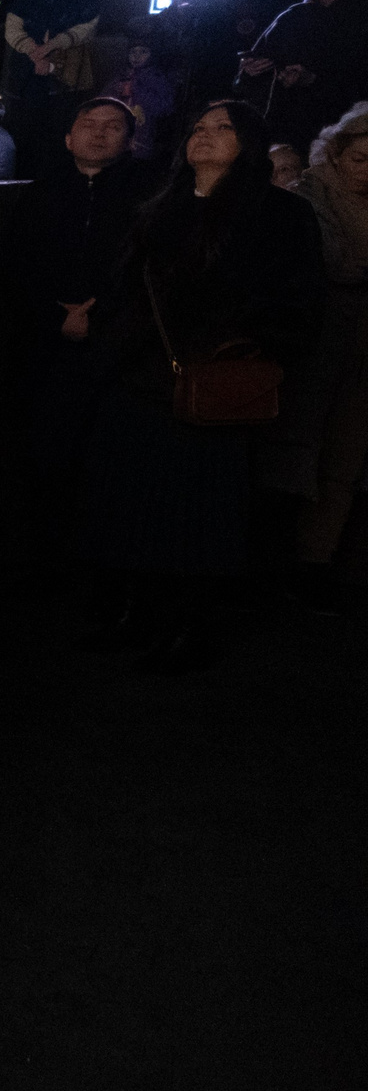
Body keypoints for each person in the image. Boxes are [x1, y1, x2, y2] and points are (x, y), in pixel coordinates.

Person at [70, 101, 324, 669]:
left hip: (212, 383)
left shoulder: (281, 215)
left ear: (249, 143)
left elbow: (298, 302)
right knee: (129, 502)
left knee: (197, 511)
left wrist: (234, 343)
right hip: (139, 378)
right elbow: (125, 288)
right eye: (198, 128)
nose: (205, 136)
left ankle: (187, 625)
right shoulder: (159, 208)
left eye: (223, 127)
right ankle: (130, 612)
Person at [3, 98, 164, 549]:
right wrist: (58, 317)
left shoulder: (150, 196)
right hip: (44, 342)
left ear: (131, 141)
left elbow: (151, 269)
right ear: (68, 137)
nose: (98, 132)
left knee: (110, 456)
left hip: (118, 344)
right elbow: (16, 266)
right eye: (88, 124)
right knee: (42, 450)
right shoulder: (39, 192)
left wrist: (102, 317)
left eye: (113, 126)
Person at [272, 102, 368, 611]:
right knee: (295, 446)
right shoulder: (308, 196)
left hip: (361, 348)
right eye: (360, 160)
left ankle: (316, 561)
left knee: (346, 455)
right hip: (316, 339)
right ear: (336, 156)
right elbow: (331, 263)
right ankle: (273, 558)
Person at [239, 0, 366, 151]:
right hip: (291, 129)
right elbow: (252, 69)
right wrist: (252, 70)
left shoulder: (362, 11)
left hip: (352, 129)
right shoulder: (292, 17)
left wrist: (315, 80)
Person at [3, 0, 103, 177]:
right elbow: (13, 24)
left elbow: (89, 23)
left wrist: (52, 47)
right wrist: (33, 51)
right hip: (28, 66)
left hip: (66, 68)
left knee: (59, 129)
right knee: (26, 130)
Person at [99, 37, 177, 161]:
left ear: (151, 54)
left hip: (141, 142)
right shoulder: (120, 76)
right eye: (133, 52)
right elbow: (101, 102)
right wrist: (115, 91)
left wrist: (137, 89)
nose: (137, 56)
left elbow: (165, 107)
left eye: (143, 52)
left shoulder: (156, 77)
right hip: (115, 139)